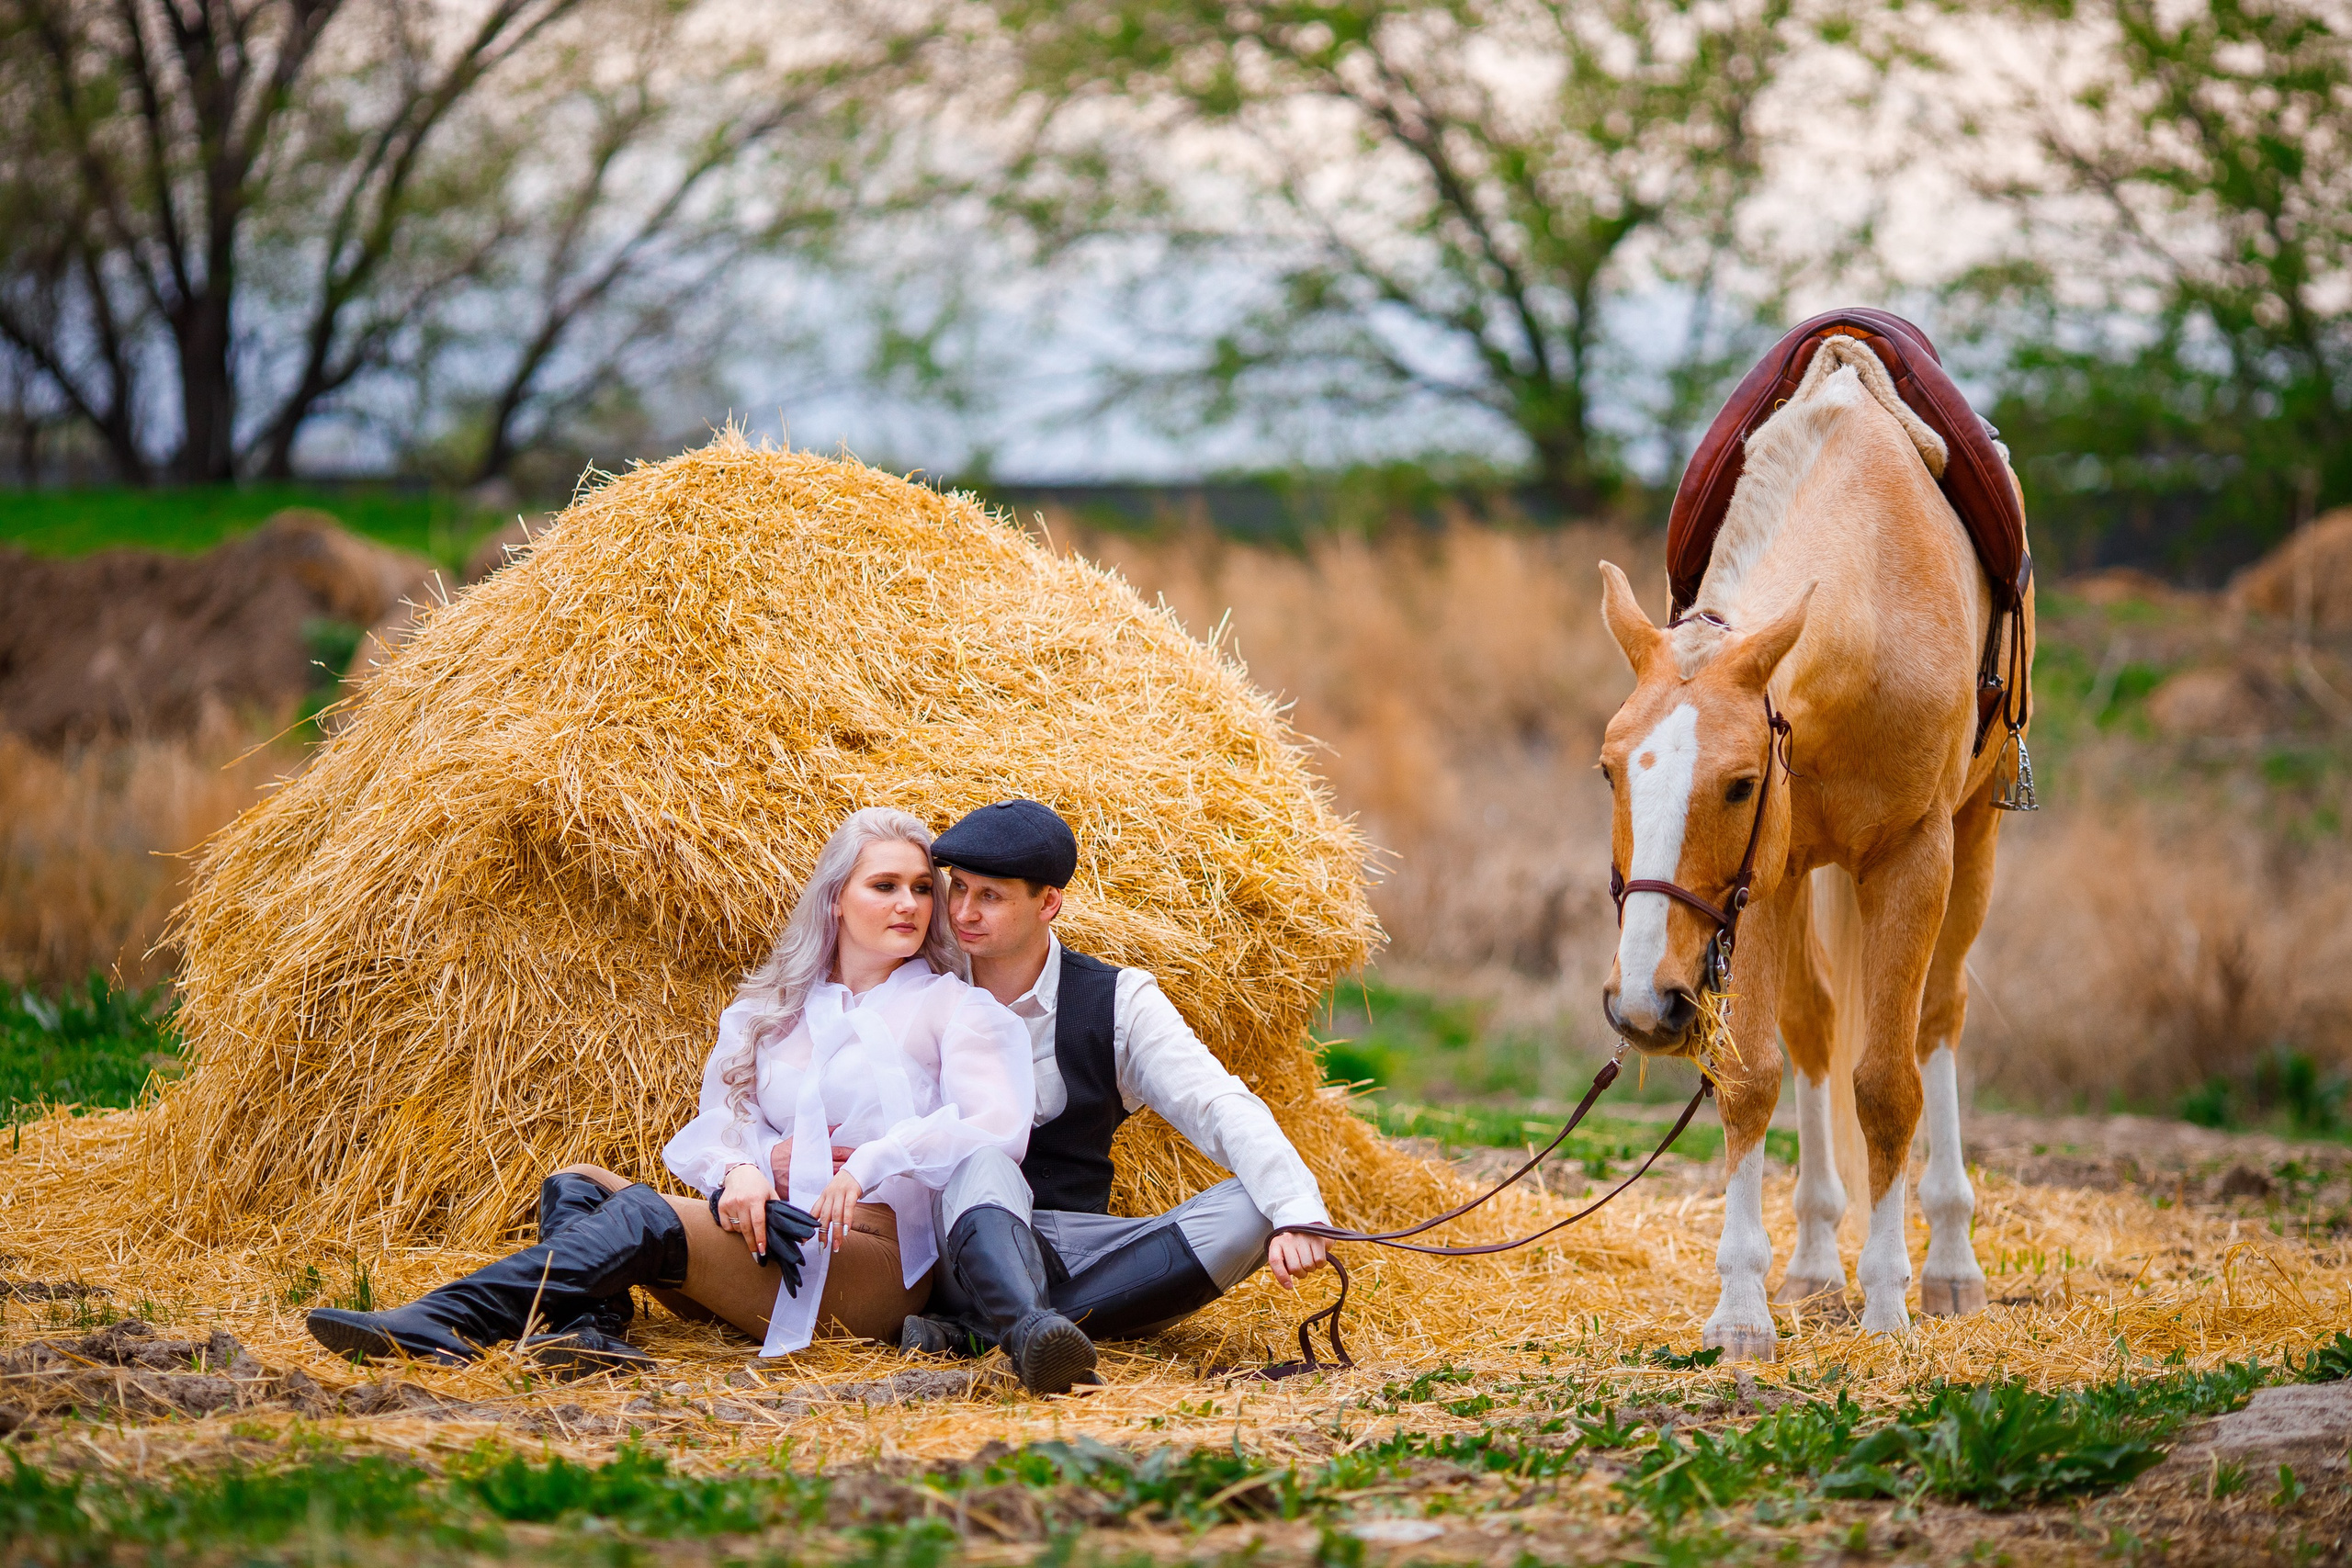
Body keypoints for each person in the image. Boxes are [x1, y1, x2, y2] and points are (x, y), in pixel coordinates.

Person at [304, 808, 1034, 1373]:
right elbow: (725, 1115)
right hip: (769, 1236)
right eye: (885, 885)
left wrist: (874, 1159)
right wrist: (743, 1169)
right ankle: (587, 1331)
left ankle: (446, 1320)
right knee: (577, 1181)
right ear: (836, 899)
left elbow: (998, 1127)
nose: (909, 903)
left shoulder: (954, 1008)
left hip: (868, 1258)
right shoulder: (772, 1011)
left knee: (645, 1216)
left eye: (921, 888)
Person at [899, 798, 1334, 1394]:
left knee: (1258, 1206)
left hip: (1082, 1247)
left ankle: (994, 1332)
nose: (963, 912)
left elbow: (1214, 1101)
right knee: (985, 1160)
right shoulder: (924, 986)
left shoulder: (1118, 1000)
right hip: (963, 1246)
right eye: (959, 888)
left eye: (991, 896)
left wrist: (1297, 1211)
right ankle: (1022, 1321)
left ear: (1048, 903)